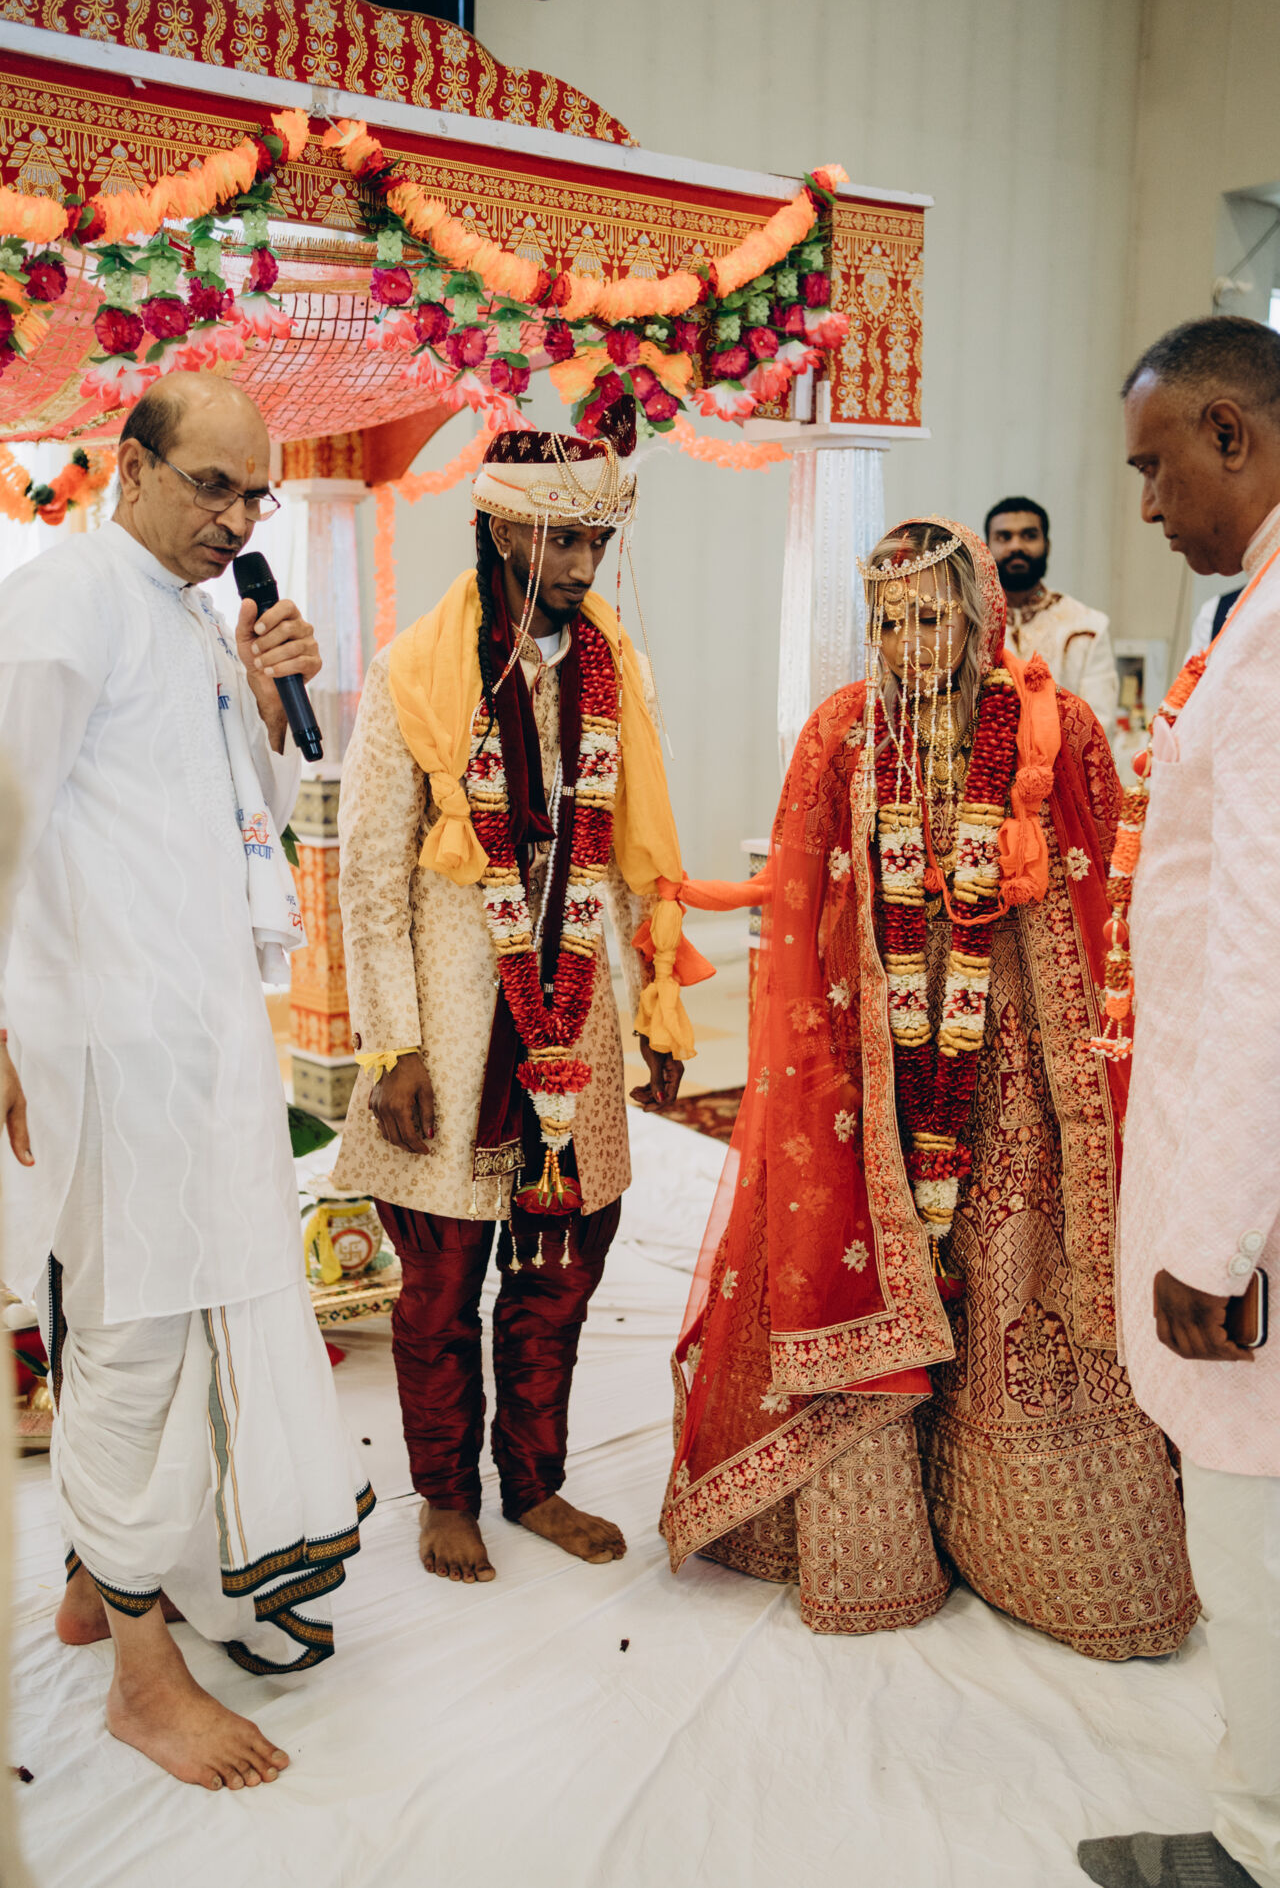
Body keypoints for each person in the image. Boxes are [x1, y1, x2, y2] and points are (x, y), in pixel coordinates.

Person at [660, 514, 1197, 1659]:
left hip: (1016, 1066)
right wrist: (819, 1067)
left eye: (931, 619)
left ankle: (1030, 1546)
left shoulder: (1055, 724)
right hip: (874, 1064)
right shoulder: (842, 732)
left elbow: (1108, 893)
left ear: (979, 614)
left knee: (1011, 1272)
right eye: (888, 623)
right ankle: (881, 1543)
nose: (908, 645)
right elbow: (800, 909)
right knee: (876, 1262)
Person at [0, 374, 373, 1793]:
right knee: (134, 1334)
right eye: (213, 484)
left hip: (200, 1031)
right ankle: (141, 1681)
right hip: (107, 1037)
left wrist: (271, 698)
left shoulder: (193, 616)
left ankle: (98, 1586)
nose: (238, 518)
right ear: (131, 466)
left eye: (255, 494)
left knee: (181, 1305)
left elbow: (243, 818)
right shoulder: (67, 600)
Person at [335, 426, 701, 1585]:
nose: (583, 561)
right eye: (560, 536)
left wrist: (655, 1008)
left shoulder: (616, 669)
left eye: (596, 538)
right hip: (449, 1019)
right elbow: (368, 874)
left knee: (560, 1270)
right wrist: (393, 1044)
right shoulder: (411, 672)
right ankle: (446, 1492)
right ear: (498, 527)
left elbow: (636, 854)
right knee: (440, 1279)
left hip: (574, 1010)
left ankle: (532, 1482)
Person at [1077, 318, 1280, 1888]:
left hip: (1251, 1194)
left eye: (1157, 467)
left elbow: (1266, 954)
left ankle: (1257, 1845)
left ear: (1231, 428)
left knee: (1253, 1517)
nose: (1147, 504)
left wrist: (1213, 1238)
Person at [986, 495, 1120, 739]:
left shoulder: (1087, 626)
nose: (1016, 546)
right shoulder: (968, 624)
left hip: (1064, 761)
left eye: (1029, 535)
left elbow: (1099, 726)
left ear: (1047, 545)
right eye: (1004, 537)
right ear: (986, 548)